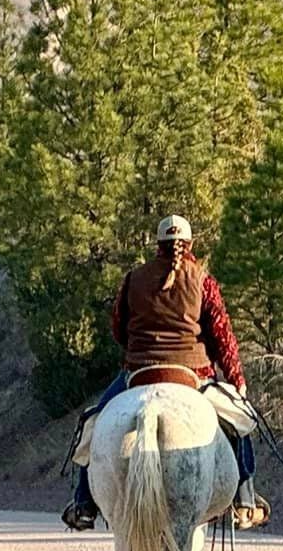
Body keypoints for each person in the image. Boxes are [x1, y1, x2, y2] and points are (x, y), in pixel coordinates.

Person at [61, 214, 268, 532]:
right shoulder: (203, 280)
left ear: (158, 245)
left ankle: (84, 504)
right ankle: (245, 502)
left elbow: (118, 328)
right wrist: (236, 379)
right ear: (191, 244)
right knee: (241, 424)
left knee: (94, 425)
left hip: (137, 373)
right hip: (193, 373)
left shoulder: (133, 278)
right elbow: (222, 335)